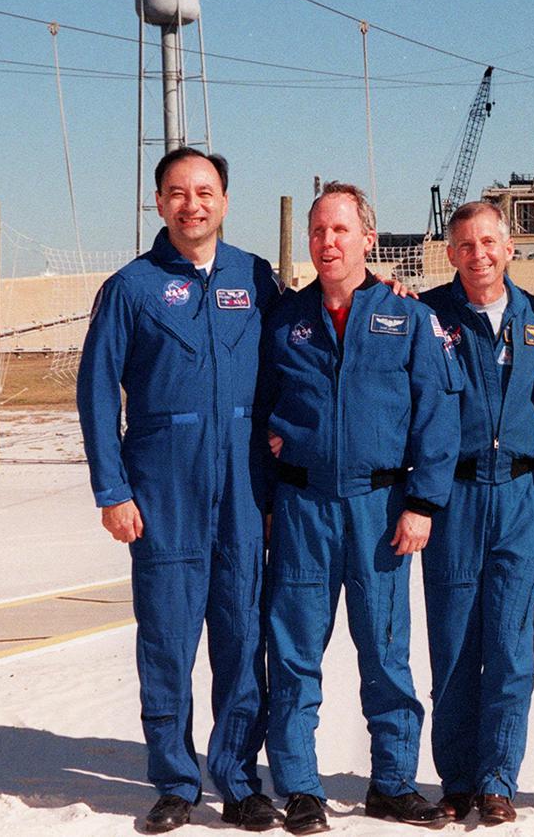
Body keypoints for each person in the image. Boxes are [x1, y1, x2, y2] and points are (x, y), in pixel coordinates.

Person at [77, 147, 284, 833]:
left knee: (241, 637)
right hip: (164, 495)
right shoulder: (132, 287)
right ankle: (174, 780)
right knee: (166, 642)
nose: (191, 204)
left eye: (204, 191)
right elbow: (97, 393)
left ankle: (238, 777)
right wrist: (113, 490)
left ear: (224, 199)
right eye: (176, 192)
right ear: (158, 202)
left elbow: (298, 360)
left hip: (245, 491)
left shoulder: (256, 278)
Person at [261, 182, 462, 836]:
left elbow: (436, 412)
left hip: (380, 508)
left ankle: (394, 782)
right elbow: (259, 409)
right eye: (319, 231)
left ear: (368, 239)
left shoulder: (405, 316)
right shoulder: (286, 320)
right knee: (294, 654)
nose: (328, 242)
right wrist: (268, 496)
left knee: (385, 652)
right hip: (303, 505)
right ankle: (299, 788)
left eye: (341, 230)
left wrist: (424, 504)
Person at [417, 201, 534, 825]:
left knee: (508, 645)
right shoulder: (424, 318)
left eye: (490, 242)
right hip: (453, 498)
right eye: (465, 245)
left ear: (510, 248)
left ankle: (498, 778)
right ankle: (456, 780)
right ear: (450, 254)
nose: (479, 255)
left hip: (522, 497)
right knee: (452, 644)